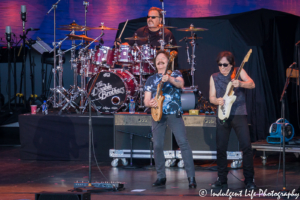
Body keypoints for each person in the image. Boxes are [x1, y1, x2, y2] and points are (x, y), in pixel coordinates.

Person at [144, 50, 196, 188]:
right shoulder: (151, 79)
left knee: (183, 143)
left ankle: (191, 177)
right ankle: (161, 176)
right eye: (158, 61)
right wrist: (150, 103)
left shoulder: (175, 74)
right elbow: (146, 100)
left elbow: (181, 85)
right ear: (155, 64)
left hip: (173, 112)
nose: (160, 62)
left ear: (168, 62)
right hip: (157, 114)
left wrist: (170, 79)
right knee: (157, 145)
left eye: (163, 60)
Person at [209, 51, 256, 190]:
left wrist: (240, 83)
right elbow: (211, 96)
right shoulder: (214, 77)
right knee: (221, 148)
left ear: (231, 64)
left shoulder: (238, 72)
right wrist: (216, 101)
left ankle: (249, 179)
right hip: (223, 113)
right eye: (220, 65)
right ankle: (222, 179)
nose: (222, 67)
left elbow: (252, 84)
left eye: (225, 65)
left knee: (246, 146)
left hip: (238, 113)